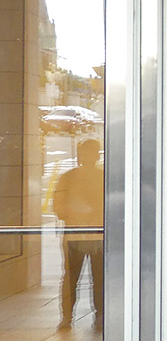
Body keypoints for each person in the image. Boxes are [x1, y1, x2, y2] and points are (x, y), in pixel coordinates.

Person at [53, 139, 104, 331]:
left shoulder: (74, 177)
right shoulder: (71, 177)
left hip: (91, 234)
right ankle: (72, 316)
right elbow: (59, 207)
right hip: (82, 235)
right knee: (76, 277)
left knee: (87, 277)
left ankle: (92, 315)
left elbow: (59, 206)